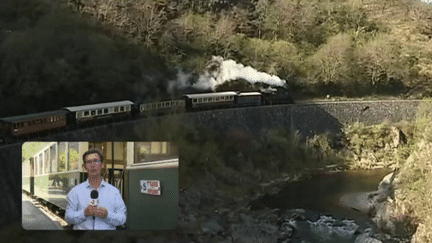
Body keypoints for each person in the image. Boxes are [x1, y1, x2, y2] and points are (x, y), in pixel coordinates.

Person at [65, 149, 126, 230]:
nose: (93, 165)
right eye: (89, 162)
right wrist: (84, 213)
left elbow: (122, 219)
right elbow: (68, 218)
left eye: (96, 161)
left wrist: (107, 215)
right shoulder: (75, 191)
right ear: (84, 167)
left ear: (102, 164)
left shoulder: (114, 192)